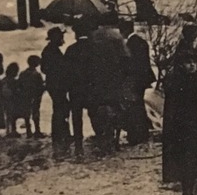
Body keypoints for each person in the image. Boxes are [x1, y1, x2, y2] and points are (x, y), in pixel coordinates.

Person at [160, 25, 197, 195]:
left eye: (195, 62)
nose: (193, 66)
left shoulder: (185, 78)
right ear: (182, 64)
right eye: (189, 63)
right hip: (184, 130)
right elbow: (181, 109)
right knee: (188, 167)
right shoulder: (181, 81)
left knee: (190, 168)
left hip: (188, 128)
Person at [86, 20, 128, 153]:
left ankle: (102, 137)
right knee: (115, 110)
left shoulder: (93, 39)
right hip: (113, 82)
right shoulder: (116, 38)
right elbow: (125, 59)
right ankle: (113, 140)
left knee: (97, 111)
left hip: (98, 84)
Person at [120, 19, 155, 146]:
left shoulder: (130, 44)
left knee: (134, 107)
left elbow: (131, 65)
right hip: (142, 79)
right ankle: (141, 133)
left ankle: (136, 135)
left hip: (135, 80)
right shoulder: (140, 42)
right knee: (139, 106)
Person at [39, 27, 72, 155]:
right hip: (56, 84)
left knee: (61, 107)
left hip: (55, 84)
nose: (62, 40)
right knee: (61, 108)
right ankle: (60, 134)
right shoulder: (51, 51)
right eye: (60, 37)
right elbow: (46, 68)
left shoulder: (51, 50)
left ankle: (61, 133)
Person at [62, 26, 92, 158]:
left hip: (76, 89)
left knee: (76, 117)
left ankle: (79, 144)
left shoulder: (71, 50)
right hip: (91, 88)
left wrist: (68, 87)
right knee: (94, 113)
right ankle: (102, 140)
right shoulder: (94, 49)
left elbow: (66, 71)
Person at [17, 55, 46, 138]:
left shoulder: (23, 73)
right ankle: (37, 130)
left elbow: (19, 85)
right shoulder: (37, 74)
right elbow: (40, 86)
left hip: (25, 96)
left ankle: (28, 131)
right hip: (35, 96)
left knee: (26, 113)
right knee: (36, 113)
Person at [2, 62, 22, 137]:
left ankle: (8, 130)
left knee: (8, 115)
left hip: (4, 100)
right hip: (11, 100)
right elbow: (17, 91)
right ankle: (12, 130)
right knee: (11, 115)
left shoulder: (4, 80)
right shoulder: (13, 81)